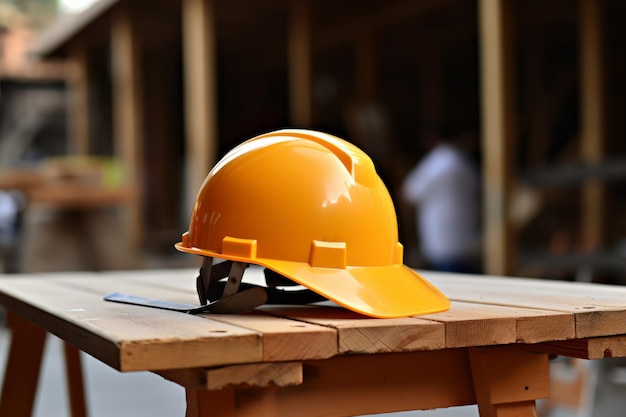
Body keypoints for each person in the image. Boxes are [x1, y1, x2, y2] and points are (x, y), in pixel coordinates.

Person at [402, 125, 481, 273]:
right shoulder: (456, 162)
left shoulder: (440, 161)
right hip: (459, 238)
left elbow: (410, 192)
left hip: (445, 241)